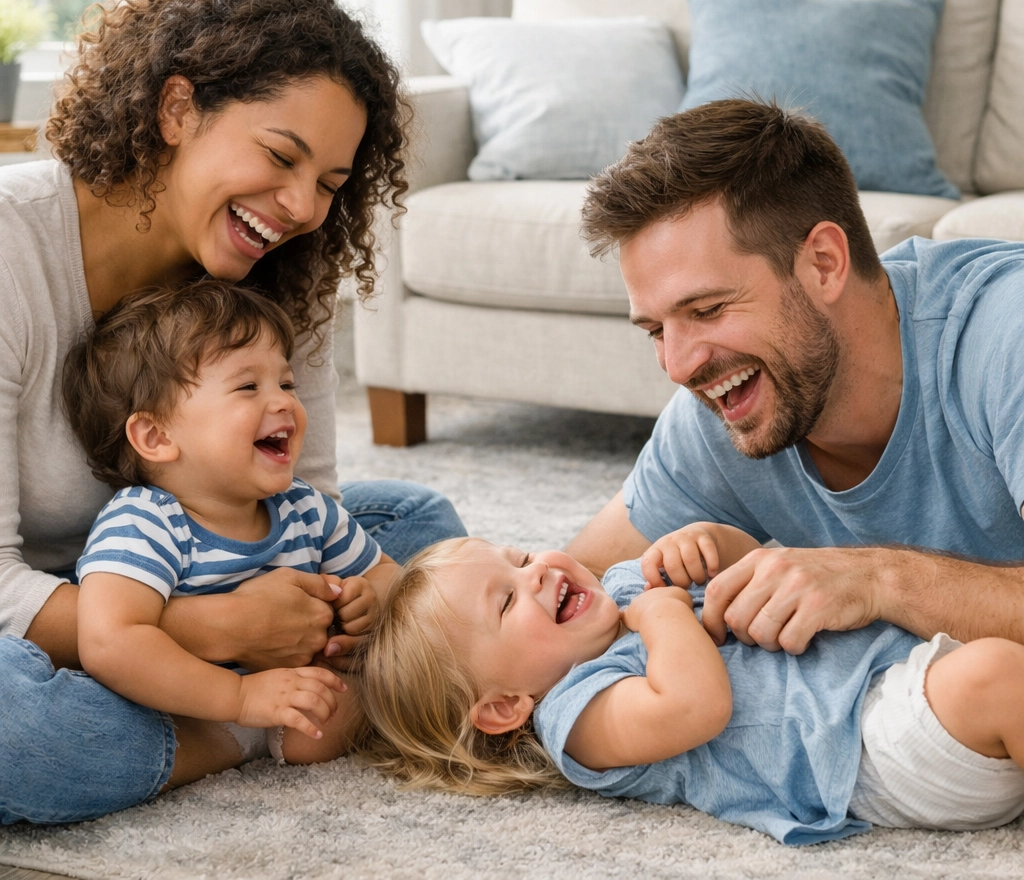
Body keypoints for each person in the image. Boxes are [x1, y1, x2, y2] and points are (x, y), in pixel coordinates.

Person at [0, 0, 465, 825]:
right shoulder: (10, 250)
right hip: (40, 600)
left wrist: (336, 604)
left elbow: (307, 503)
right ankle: (225, 739)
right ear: (177, 111)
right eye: (281, 156)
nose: (298, 208)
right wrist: (209, 635)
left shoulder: (285, 274)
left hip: (189, 559)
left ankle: (192, 704)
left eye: (329, 184)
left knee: (416, 533)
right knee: (17, 734)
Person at [566, 98, 1024, 654]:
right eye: (656, 331)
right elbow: (572, 586)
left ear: (824, 263)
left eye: (707, 310)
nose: (680, 367)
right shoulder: (732, 399)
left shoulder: (1005, 335)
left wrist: (877, 579)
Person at [358, 532, 1024, 846]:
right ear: (504, 706)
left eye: (522, 558)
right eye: (506, 603)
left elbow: (755, 579)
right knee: (998, 676)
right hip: (859, 748)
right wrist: (665, 613)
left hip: (883, 668)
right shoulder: (578, 719)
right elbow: (697, 705)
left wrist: (716, 550)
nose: (537, 574)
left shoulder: (621, 587)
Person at [65, 281, 398, 767]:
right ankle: (217, 743)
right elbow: (108, 642)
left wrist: (372, 599)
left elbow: (386, 570)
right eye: (248, 387)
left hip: (287, 694)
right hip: (191, 703)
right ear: (156, 436)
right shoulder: (145, 520)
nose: (284, 402)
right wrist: (241, 697)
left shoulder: (302, 504)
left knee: (422, 549)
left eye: (286, 384)